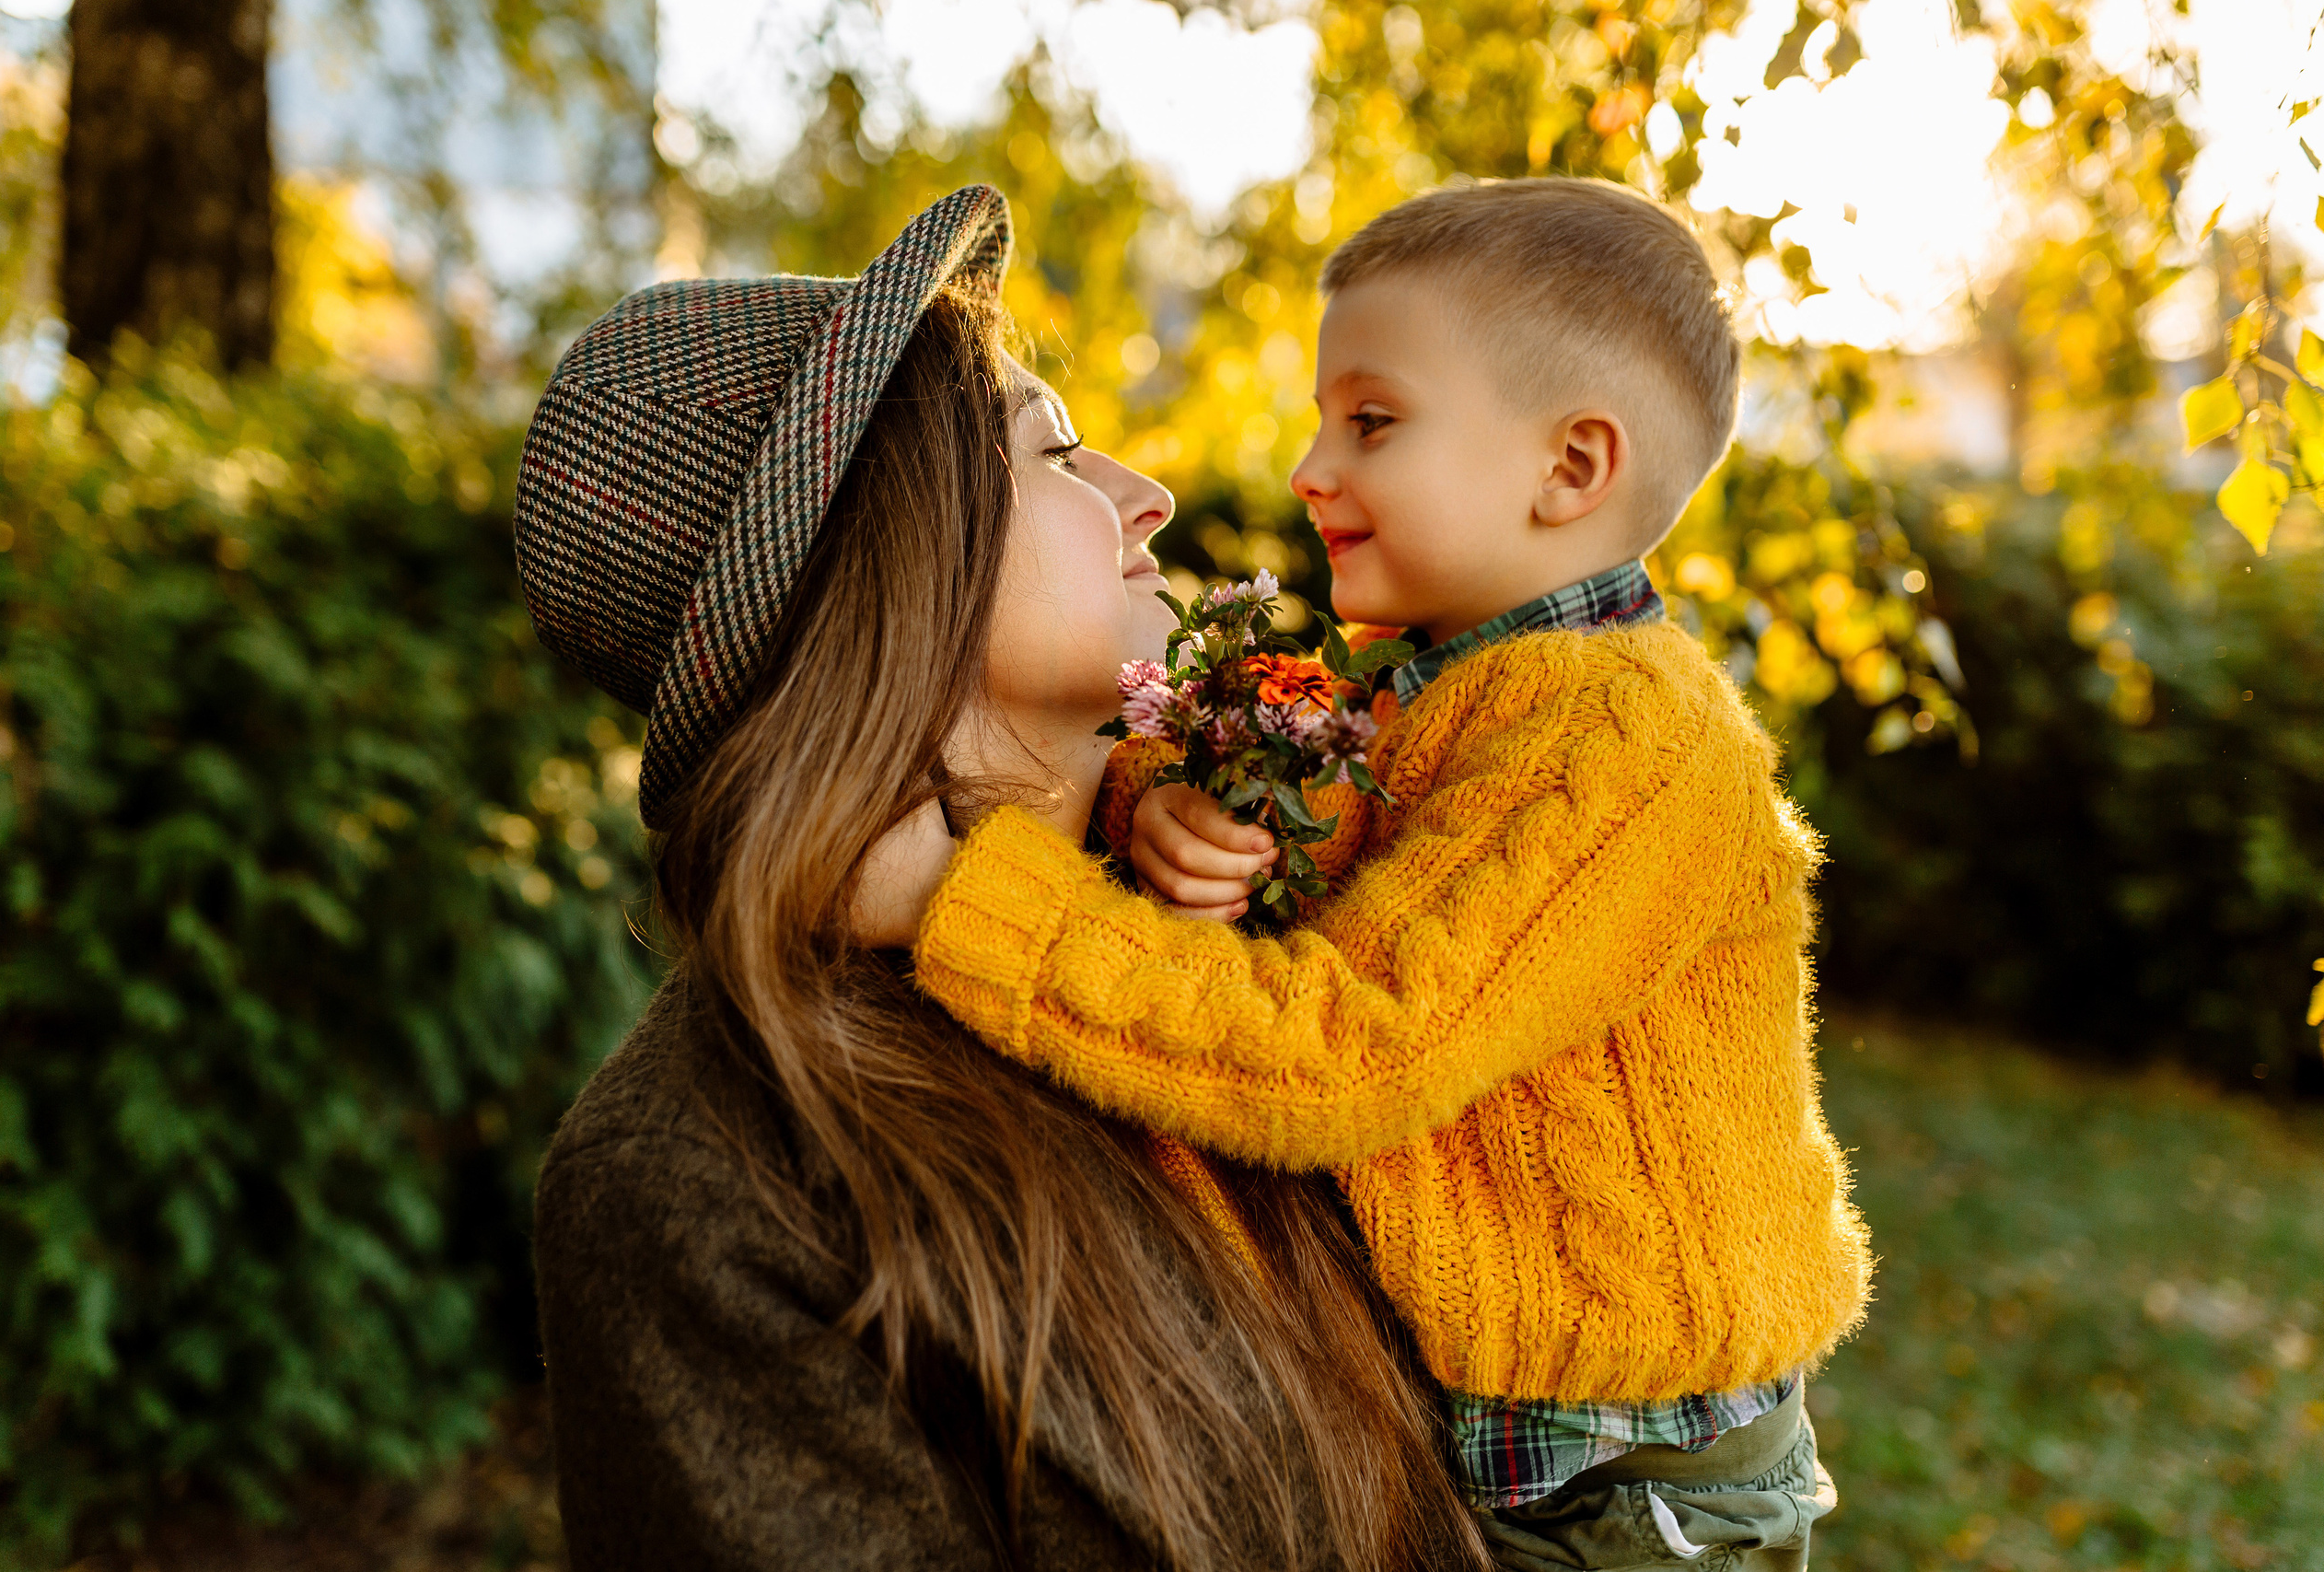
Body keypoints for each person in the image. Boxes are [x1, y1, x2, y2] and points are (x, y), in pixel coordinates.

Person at [857, 178, 1875, 1571]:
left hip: (1638, 1505)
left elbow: (1346, 1045)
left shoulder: (1627, 741)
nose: (1309, 468)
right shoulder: (1448, 691)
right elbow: (1322, 845)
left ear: (1569, 469)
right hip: (1506, 1447)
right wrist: (1163, 814)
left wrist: (957, 900)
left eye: (1373, 422)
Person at [512, 186, 1482, 1572]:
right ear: (890, 556)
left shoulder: (1255, 913)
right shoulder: (698, 1182)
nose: (1145, 494)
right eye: (1057, 451)